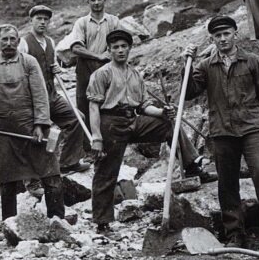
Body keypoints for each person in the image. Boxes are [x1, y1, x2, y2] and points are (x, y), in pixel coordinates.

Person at [182, 16, 259, 249]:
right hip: (222, 131)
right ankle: (235, 233)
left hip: (253, 128)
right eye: (217, 35)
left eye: (226, 33)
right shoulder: (205, 65)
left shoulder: (252, 61)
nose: (223, 39)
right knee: (227, 183)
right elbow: (189, 92)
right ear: (212, 39)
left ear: (235, 33)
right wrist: (186, 64)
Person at [88, 29, 209, 233]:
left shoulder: (135, 74)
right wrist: (97, 138)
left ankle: (191, 165)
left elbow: (144, 106)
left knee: (169, 124)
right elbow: (93, 107)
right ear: (109, 50)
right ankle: (102, 222)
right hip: (110, 122)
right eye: (115, 47)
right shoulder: (102, 74)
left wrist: (162, 112)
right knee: (106, 171)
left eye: (123, 47)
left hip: (133, 119)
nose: (120, 51)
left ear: (129, 49)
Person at [0, 24, 65, 222]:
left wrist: (40, 124)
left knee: (50, 173)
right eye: (4, 40)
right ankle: (9, 224)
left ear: (18, 42)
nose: (9, 43)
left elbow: (41, 95)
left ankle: (57, 221)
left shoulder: (29, 62)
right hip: (2, 129)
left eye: (12, 39)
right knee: (7, 179)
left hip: (30, 126)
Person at [19, 4, 89, 174]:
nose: (42, 22)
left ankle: (68, 162)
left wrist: (56, 69)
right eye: (39, 19)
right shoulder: (23, 43)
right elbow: (19, 72)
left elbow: (53, 65)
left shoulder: (50, 42)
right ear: (31, 21)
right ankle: (32, 181)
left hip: (52, 95)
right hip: (33, 99)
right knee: (36, 135)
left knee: (76, 118)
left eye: (45, 19)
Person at [67, 0, 121, 144]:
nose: (96, 2)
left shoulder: (113, 21)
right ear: (88, 2)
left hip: (106, 68)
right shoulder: (82, 22)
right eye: (93, 0)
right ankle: (88, 145)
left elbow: (119, 44)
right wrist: (98, 56)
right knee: (84, 105)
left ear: (105, 0)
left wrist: (109, 56)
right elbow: (76, 47)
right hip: (84, 69)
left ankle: (108, 142)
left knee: (107, 104)